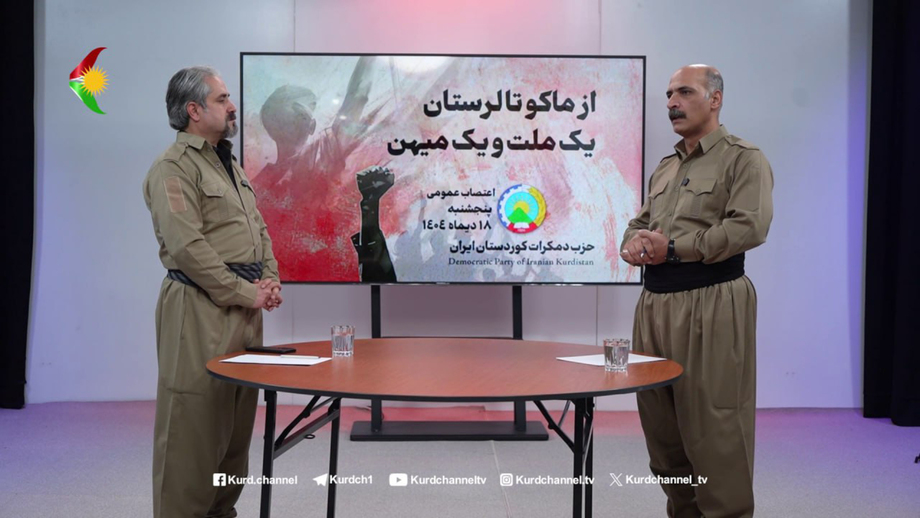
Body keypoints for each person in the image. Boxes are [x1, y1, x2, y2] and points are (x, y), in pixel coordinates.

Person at [620, 64, 774, 518]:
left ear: (715, 99)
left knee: (715, 430)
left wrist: (673, 249)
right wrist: (633, 243)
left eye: (685, 92)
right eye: (669, 94)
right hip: (654, 306)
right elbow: (639, 222)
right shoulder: (667, 166)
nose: (672, 102)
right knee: (663, 434)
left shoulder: (743, 159)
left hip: (712, 301)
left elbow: (748, 228)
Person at [143, 66, 283, 518]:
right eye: (222, 99)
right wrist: (246, 291)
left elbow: (257, 226)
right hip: (199, 307)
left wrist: (269, 278)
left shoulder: (227, 163)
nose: (232, 106)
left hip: (244, 309)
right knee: (193, 431)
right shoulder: (173, 168)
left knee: (235, 432)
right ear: (194, 110)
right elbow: (187, 248)